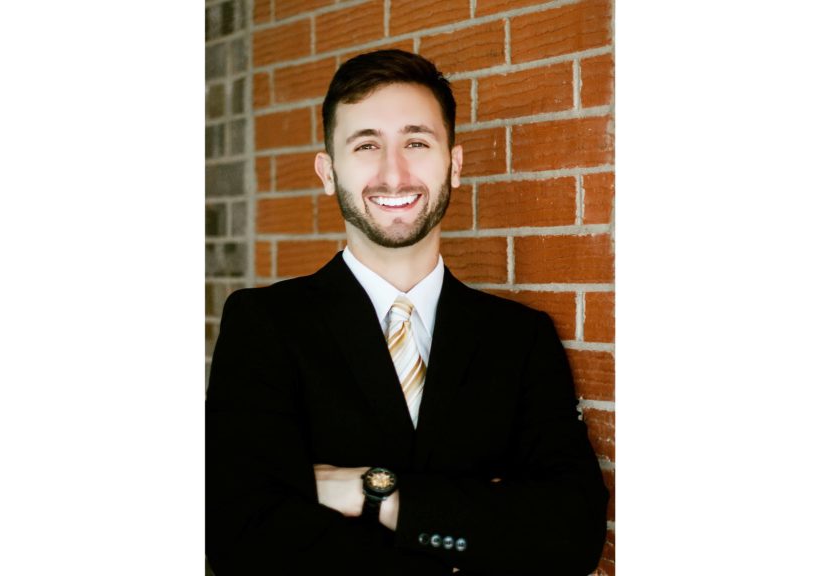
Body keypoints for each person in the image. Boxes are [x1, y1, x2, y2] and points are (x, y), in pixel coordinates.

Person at [206, 49, 608, 576]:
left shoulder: (519, 338)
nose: (393, 175)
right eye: (367, 145)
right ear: (328, 172)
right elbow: (240, 536)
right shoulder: (265, 324)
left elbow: (569, 534)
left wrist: (373, 493)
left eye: (416, 143)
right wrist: (477, 521)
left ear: (454, 165)